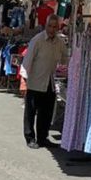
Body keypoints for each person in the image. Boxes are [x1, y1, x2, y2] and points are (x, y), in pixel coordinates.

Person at [20, 15, 69, 149]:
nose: (52, 29)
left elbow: (65, 57)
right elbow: (27, 61)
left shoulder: (59, 42)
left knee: (46, 113)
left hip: (50, 82)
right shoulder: (37, 40)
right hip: (35, 82)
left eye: (55, 27)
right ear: (45, 26)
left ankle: (42, 138)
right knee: (31, 112)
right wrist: (24, 81)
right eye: (50, 26)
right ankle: (30, 137)